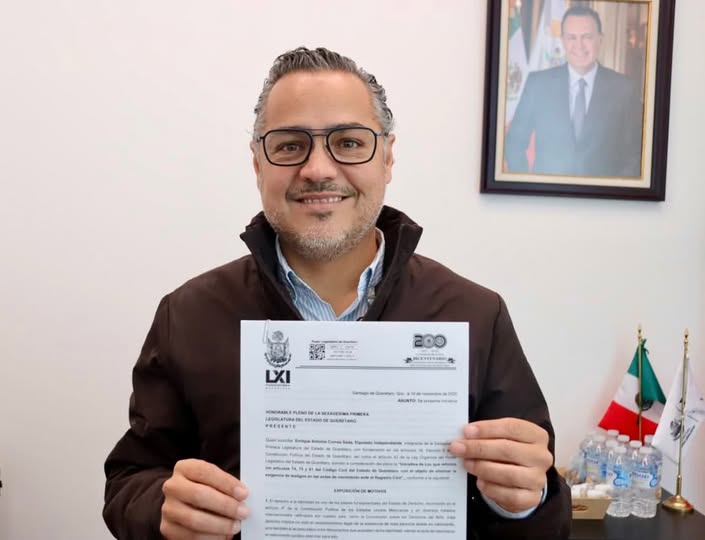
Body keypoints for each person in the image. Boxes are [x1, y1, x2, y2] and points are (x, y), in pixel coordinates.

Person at [103, 46, 571, 539]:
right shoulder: (189, 315)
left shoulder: (475, 315)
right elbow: (130, 479)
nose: (318, 169)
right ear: (258, 164)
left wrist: (527, 500)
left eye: (348, 142)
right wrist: (161, 509)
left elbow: (546, 517)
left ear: (387, 157)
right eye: (289, 146)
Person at [505, 6, 643, 177]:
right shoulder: (537, 85)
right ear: (562, 40)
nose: (579, 45)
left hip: (603, 193)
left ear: (600, 39)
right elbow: (514, 143)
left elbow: (634, 155)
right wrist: (528, 185)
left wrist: (614, 191)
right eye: (572, 37)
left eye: (587, 37)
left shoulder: (624, 89)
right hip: (547, 192)